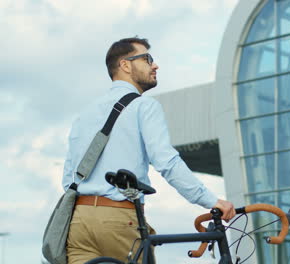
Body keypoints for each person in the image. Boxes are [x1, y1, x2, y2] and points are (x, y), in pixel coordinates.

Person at [62, 37, 236, 264]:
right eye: (147, 59)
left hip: (78, 220)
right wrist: (211, 201)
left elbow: (68, 177)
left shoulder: (84, 115)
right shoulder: (145, 106)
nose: (155, 65)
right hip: (118, 216)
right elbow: (166, 162)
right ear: (125, 65)